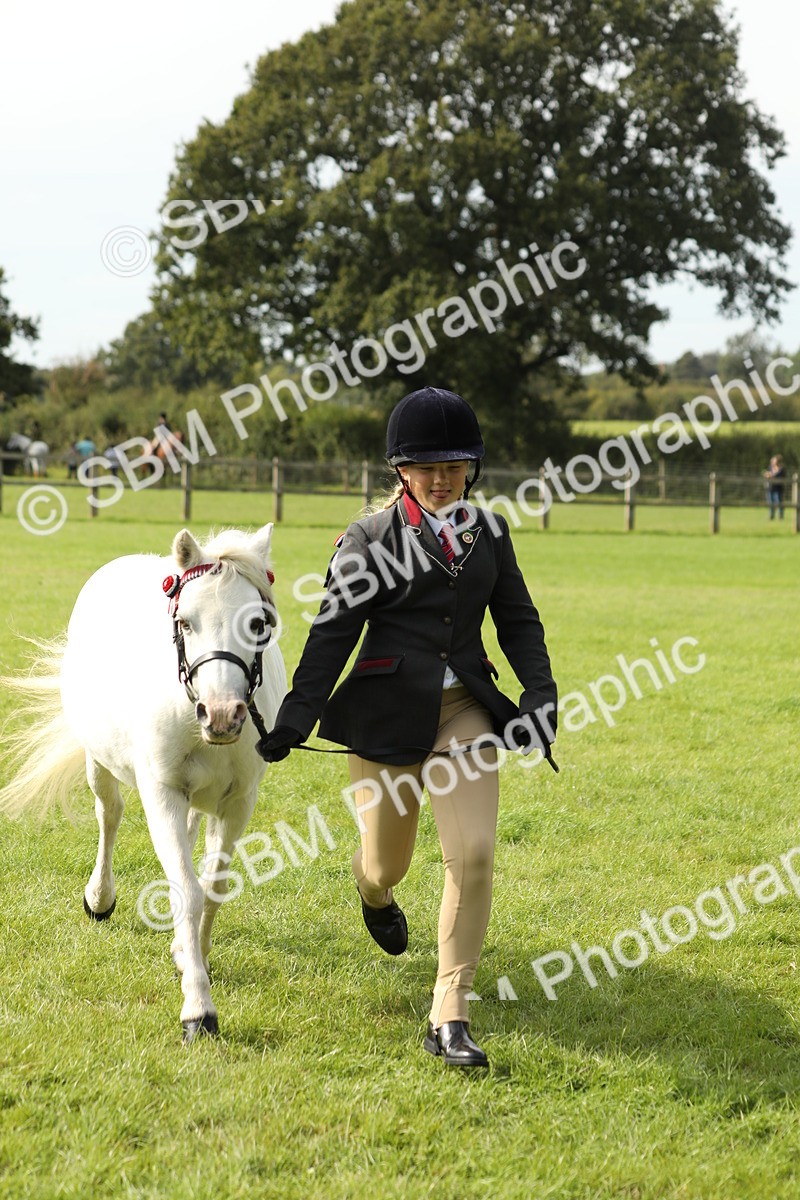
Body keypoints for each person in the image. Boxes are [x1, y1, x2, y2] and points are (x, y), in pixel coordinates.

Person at [258, 387, 558, 1069]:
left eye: (455, 465)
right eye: (429, 467)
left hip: (464, 715)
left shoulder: (492, 533)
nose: (443, 478)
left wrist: (541, 693)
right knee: (385, 862)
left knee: (474, 854)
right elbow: (332, 636)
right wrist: (295, 716)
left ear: (471, 468)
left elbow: (518, 621)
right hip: (387, 719)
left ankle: (450, 1011)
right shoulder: (368, 541)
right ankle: (372, 891)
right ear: (402, 471)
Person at [763, 454, 786, 520]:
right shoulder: (770, 467)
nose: (773, 462)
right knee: (771, 503)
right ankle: (771, 516)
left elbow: (778, 476)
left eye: (774, 460)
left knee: (779, 502)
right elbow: (767, 474)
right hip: (770, 488)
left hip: (778, 489)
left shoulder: (781, 469)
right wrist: (768, 474)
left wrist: (770, 475)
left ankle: (780, 516)